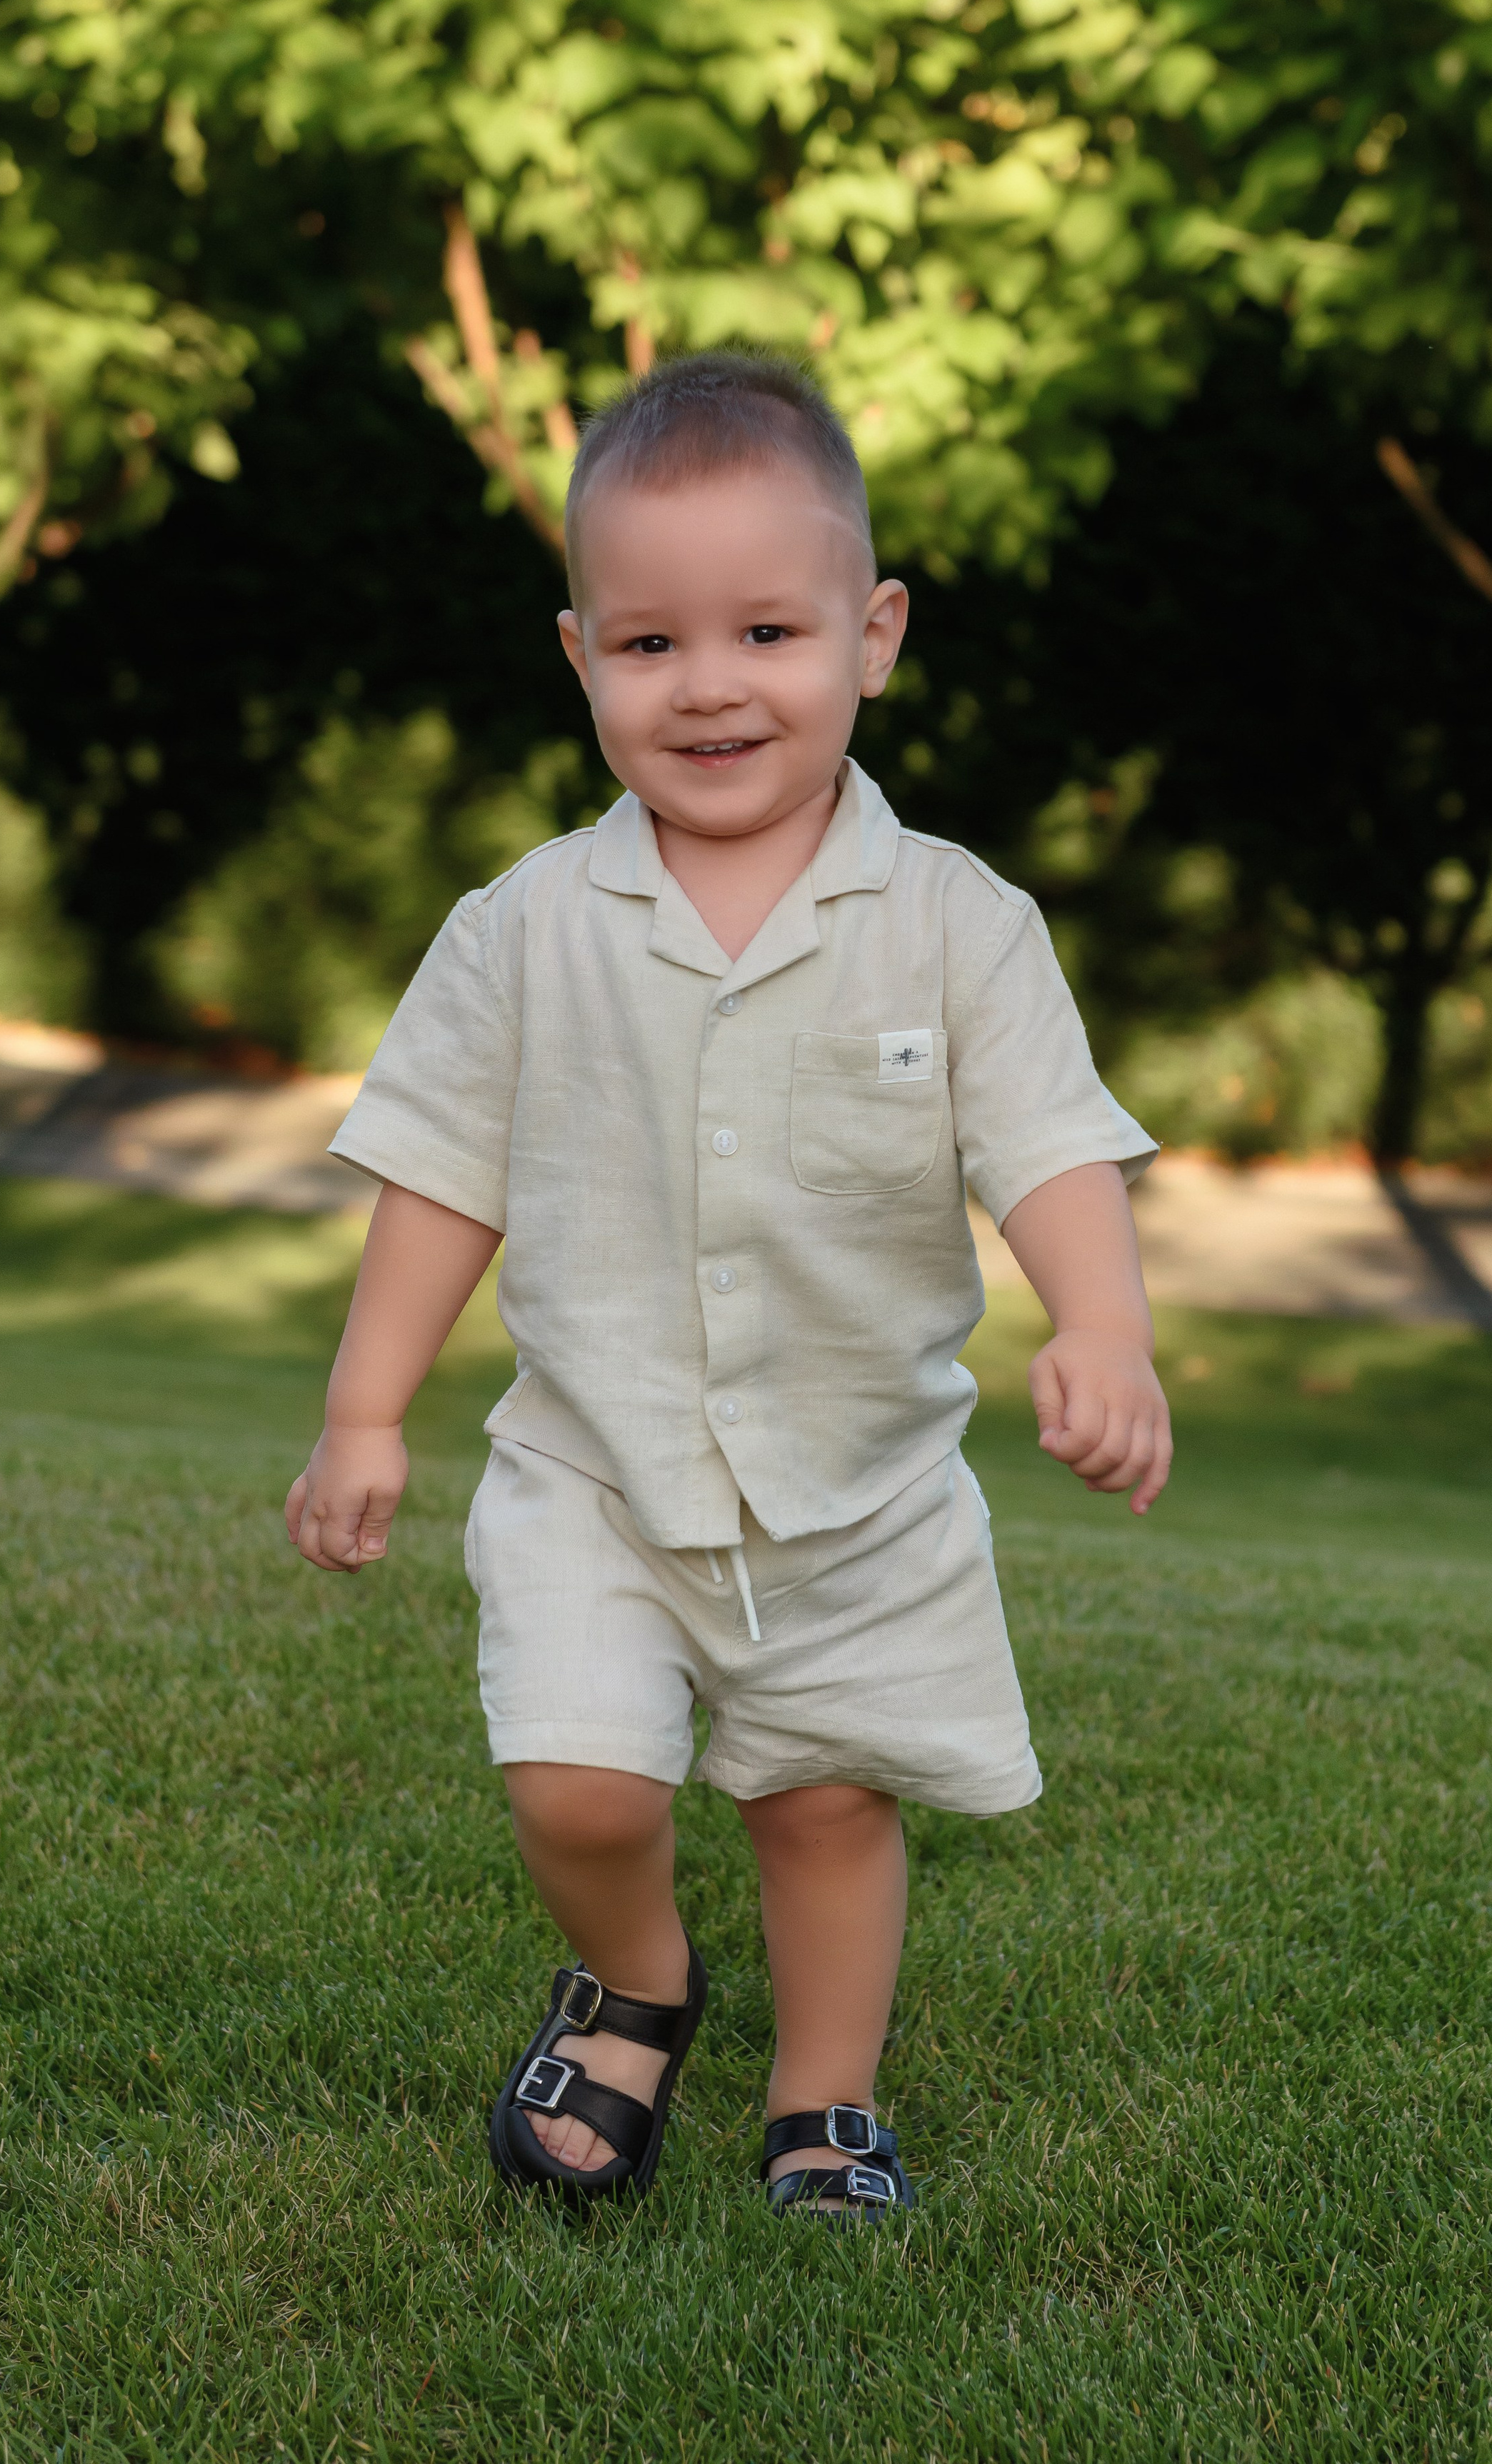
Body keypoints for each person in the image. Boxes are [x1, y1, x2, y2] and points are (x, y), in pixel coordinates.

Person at [284, 349, 1171, 2218]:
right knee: (575, 1783)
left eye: (769, 629)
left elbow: (1051, 1149)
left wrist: (1102, 1327)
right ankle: (635, 1983)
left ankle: (826, 2097)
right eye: (649, 642)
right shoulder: (525, 926)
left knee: (822, 1800)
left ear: (875, 634)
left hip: (855, 1490)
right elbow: (443, 1178)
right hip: (593, 1476)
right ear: (581, 657)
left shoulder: (956, 922)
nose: (710, 686)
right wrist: (368, 1409)